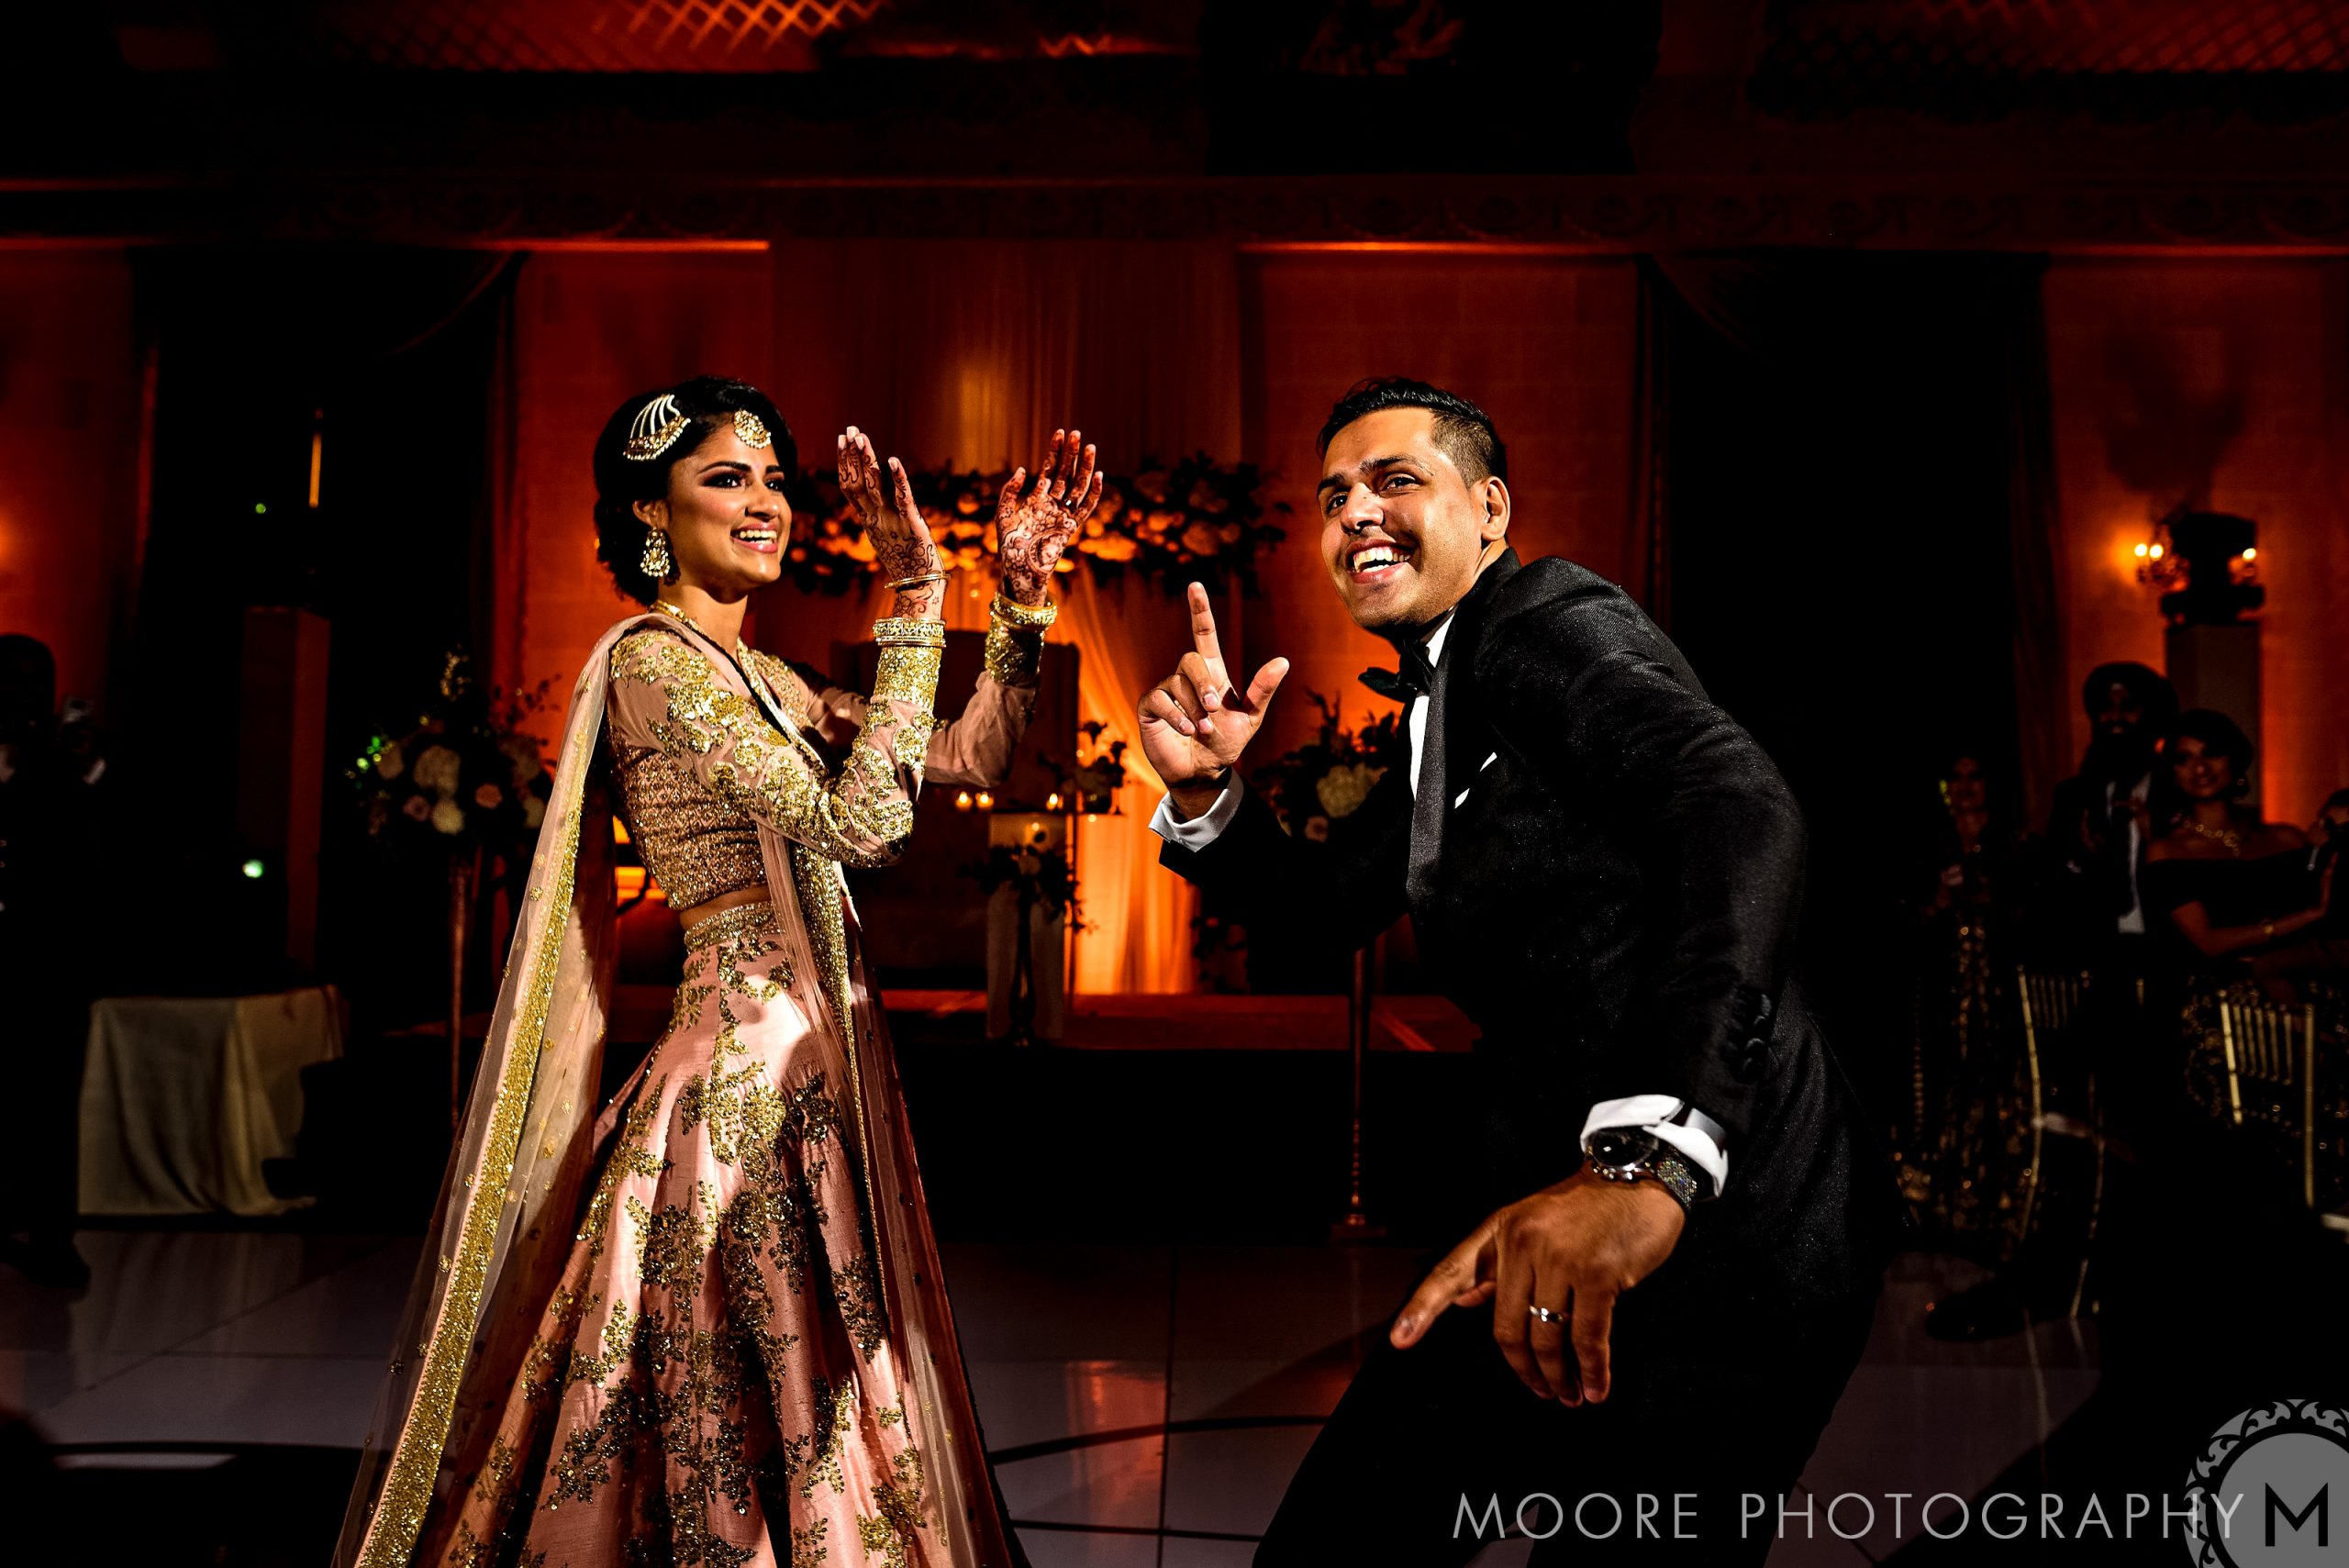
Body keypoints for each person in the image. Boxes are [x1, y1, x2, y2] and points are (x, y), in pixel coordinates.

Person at [338, 376, 1099, 1568]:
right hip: (739, 1087)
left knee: (798, 1398)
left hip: (800, 1062)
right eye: (725, 479)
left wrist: (1019, 602)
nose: (766, 503)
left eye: (774, 480)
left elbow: (962, 754)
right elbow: (861, 825)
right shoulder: (658, 664)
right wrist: (912, 599)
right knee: (750, 1411)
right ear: (652, 514)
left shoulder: (770, 680)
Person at [1137, 378, 1893, 1563]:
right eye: (1334, 496)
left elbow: (1739, 805)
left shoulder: (1541, 619)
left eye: (1395, 481)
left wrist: (1647, 1161)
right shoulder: (1445, 698)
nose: (1354, 516)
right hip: (1541, 1204)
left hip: (1734, 1217)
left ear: (1489, 511)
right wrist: (1205, 797)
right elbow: (1334, 905)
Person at [2142, 710, 2333, 983]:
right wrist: (2305, 918)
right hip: (2220, 1004)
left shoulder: (2288, 838)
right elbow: (2207, 942)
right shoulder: (2167, 850)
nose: (2200, 768)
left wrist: (2328, 850)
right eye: (2184, 759)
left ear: (2235, 760)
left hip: (2300, 990)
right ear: (2172, 772)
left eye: (2213, 753)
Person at [2038, 662, 2177, 973]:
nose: (2115, 718)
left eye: (2128, 707)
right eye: (2105, 708)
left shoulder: (2175, 789)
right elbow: (2050, 887)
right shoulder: (2072, 796)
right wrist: (2083, 860)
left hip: (2168, 952)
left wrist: (2160, 845)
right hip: (2098, 954)